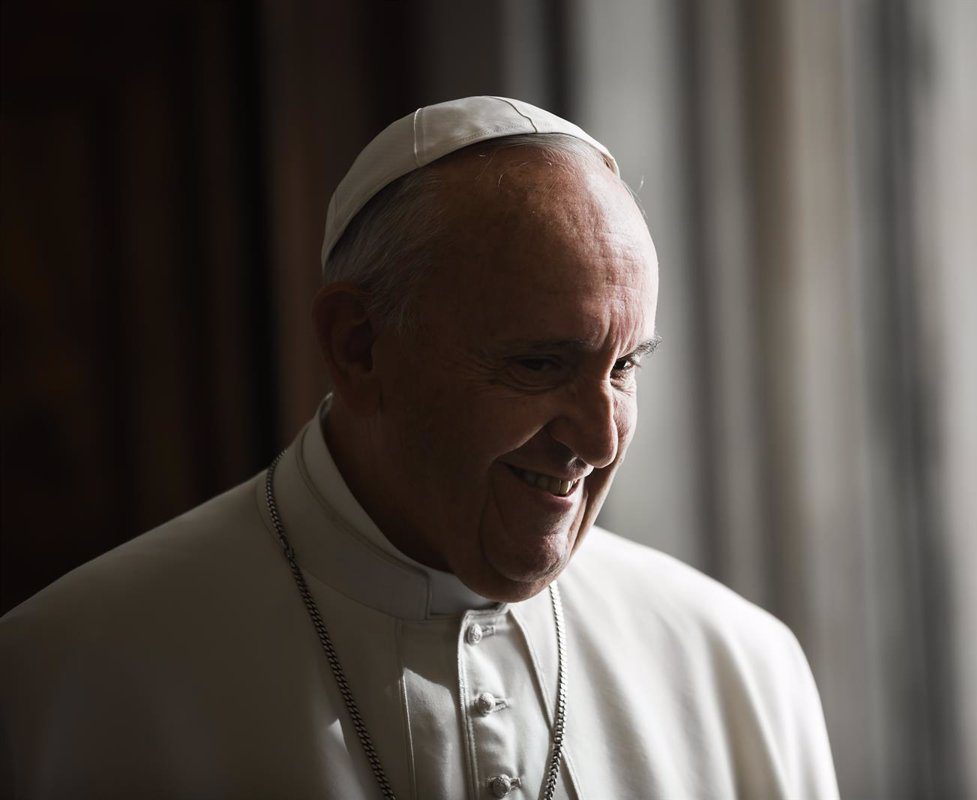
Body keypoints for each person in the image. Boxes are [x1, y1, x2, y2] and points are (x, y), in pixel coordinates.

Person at [0, 96, 839, 799]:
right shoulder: (67, 682)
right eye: (541, 362)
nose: (601, 436)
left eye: (626, 366)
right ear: (360, 345)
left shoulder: (740, 667)